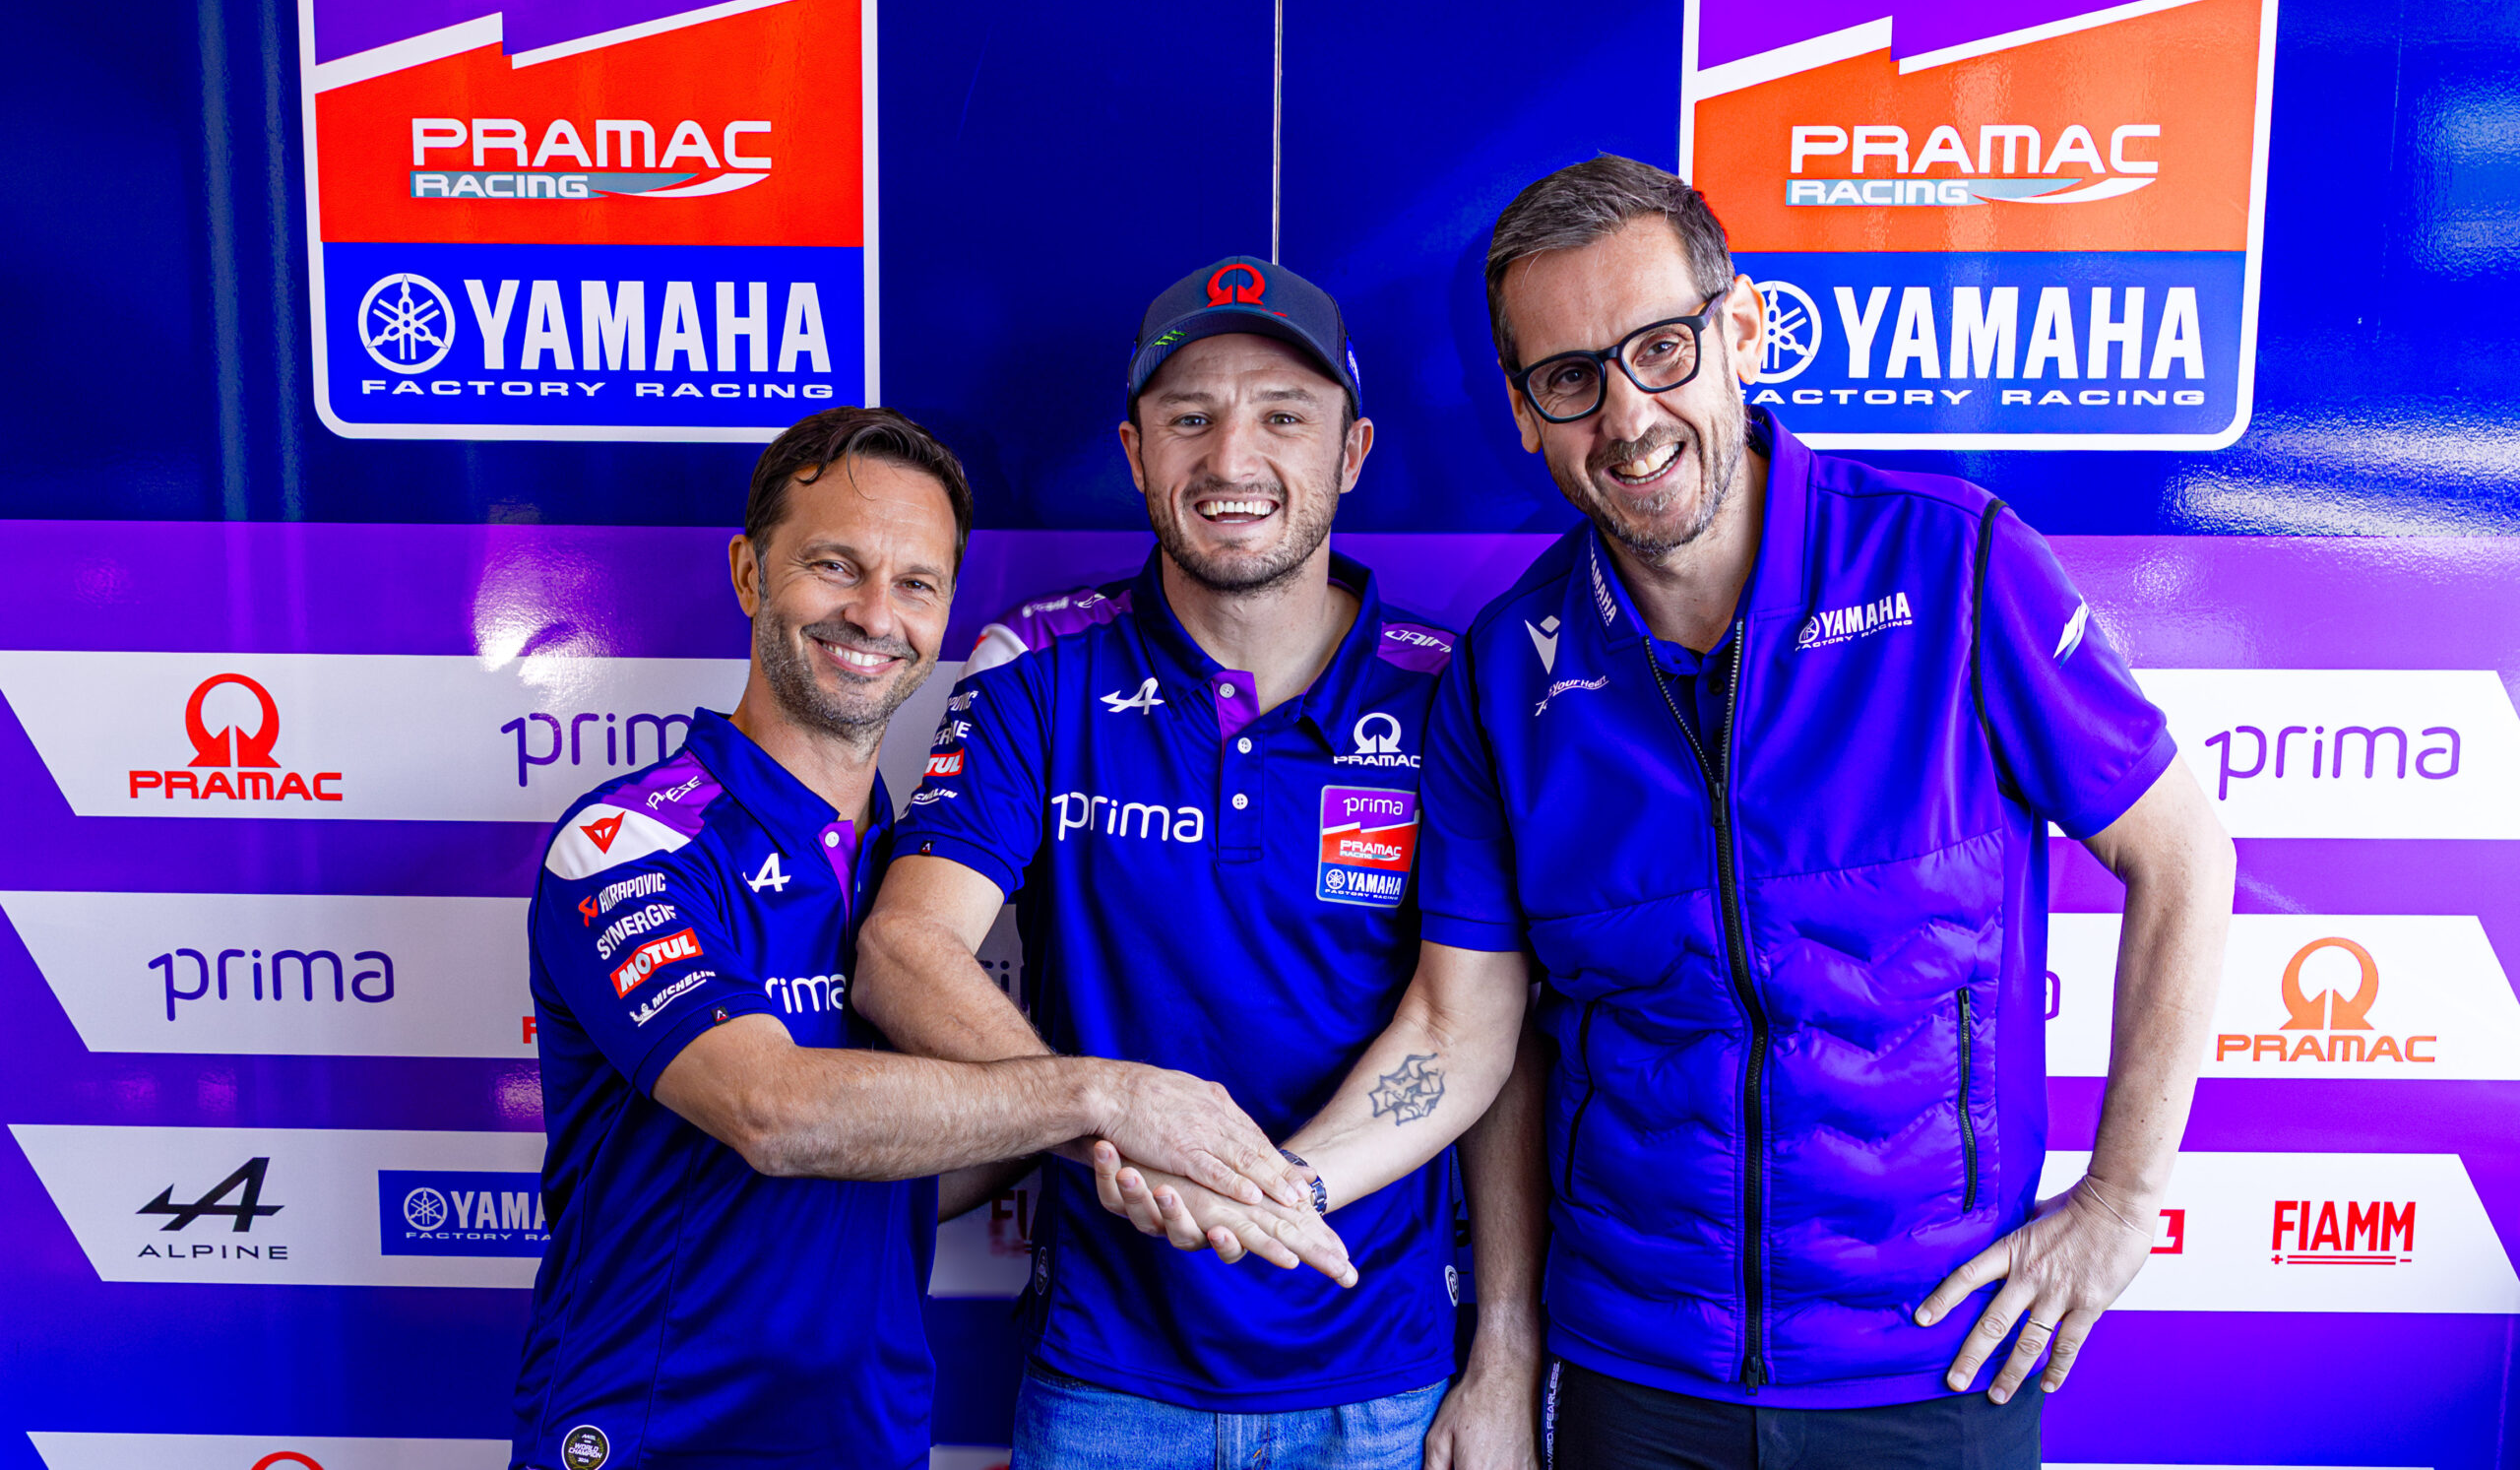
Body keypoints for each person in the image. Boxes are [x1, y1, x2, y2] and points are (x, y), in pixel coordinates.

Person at [1096, 158, 2235, 1468]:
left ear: (1740, 329)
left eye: (1661, 348)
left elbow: (2183, 856)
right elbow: (1462, 1036)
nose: (1628, 416)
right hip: (1636, 1378)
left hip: (1936, 1354)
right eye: (1570, 378)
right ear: (1524, 412)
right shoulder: (1504, 672)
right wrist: (1274, 1190)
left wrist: (2123, 1198)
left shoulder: (1952, 564)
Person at [511, 407, 1301, 1470]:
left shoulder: (913, 877)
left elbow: (941, 1156)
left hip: (870, 1436)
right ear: (749, 573)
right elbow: (773, 1111)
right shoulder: (631, 845)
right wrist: (1106, 1097)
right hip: (657, 1436)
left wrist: (1148, 1152)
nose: (875, 614)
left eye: (917, 584)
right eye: (835, 566)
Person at [854, 257, 1537, 1469]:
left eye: (1283, 417)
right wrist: (1100, 1105)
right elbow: (905, 949)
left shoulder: (1451, 693)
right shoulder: (1035, 668)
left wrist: (1503, 1357)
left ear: (1353, 452)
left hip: (1382, 1377)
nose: (1230, 460)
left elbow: (1473, 1032)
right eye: (1188, 418)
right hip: (1104, 1375)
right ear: (1133, 451)